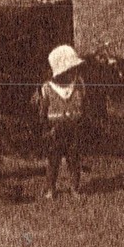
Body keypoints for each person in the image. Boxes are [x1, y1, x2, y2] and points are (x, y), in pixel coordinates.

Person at [34, 45, 87, 199]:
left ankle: (75, 188)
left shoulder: (78, 85)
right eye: (70, 69)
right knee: (53, 160)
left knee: (74, 159)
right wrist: (45, 129)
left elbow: (83, 104)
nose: (73, 72)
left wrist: (81, 119)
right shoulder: (47, 88)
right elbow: (43, 111)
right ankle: (51, 188)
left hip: (74, 128)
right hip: (55, 130)